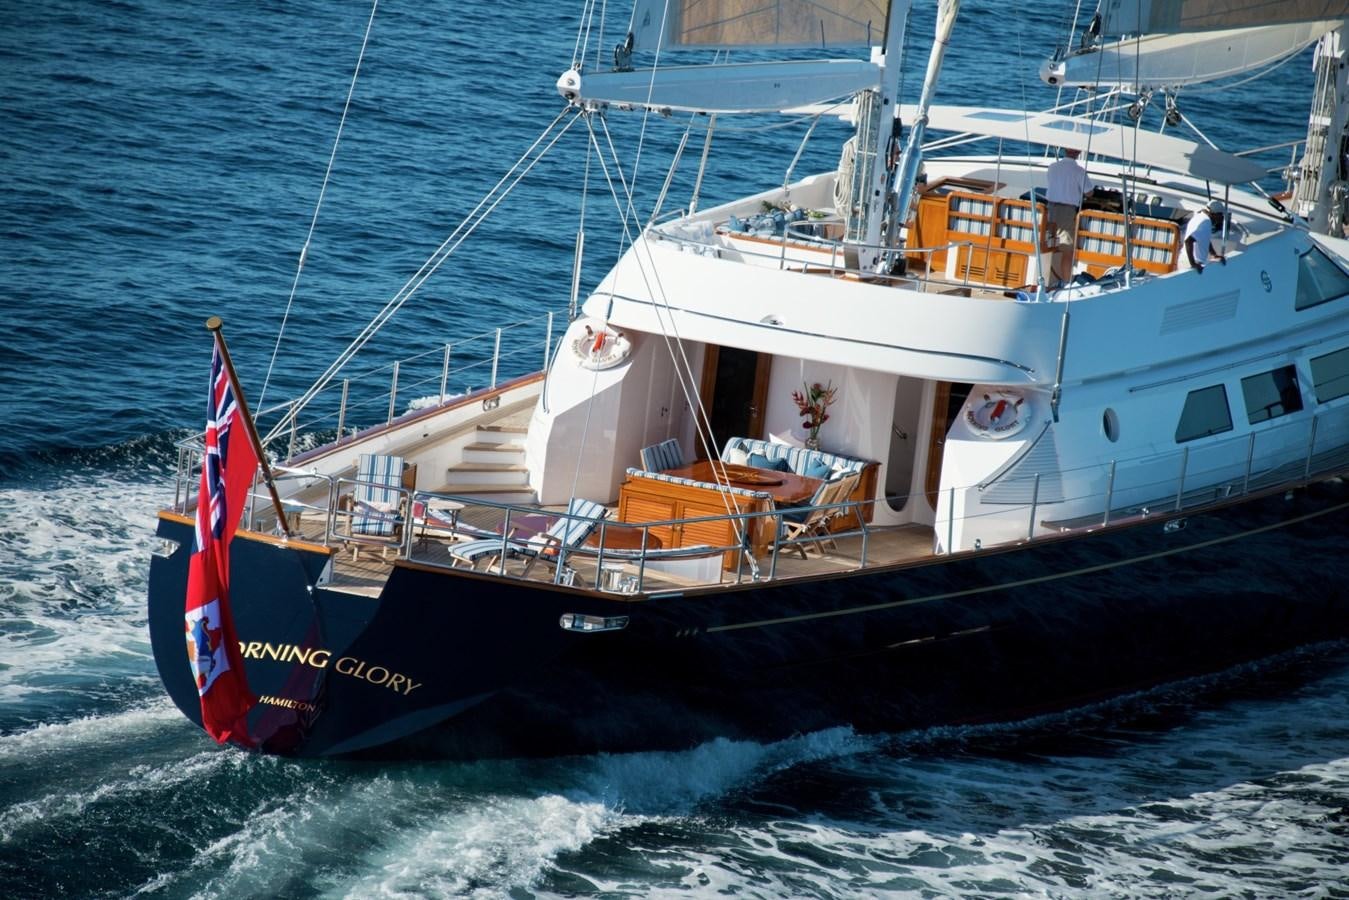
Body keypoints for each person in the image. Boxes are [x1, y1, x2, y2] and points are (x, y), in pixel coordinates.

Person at [1045, 148, 1096, 285]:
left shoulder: (1052, 167)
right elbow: (1089, 192)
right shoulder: (1079, 171)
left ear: (1065, 151)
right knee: (1068, 249)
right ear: (1078, 153)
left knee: (1048, 244)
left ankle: (1047, 278)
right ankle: (1066, 283)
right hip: (1067, 211)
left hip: (1049, 209)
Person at [1184, 200, 1228, 273]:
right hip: (1193, 265)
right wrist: (1193, 264)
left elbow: (1204, 238)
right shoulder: (1205, 221)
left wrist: (1214, 255)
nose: (1221, 217)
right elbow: (1188, 241)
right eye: (1220, 214)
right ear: (1214, 214)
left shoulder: (1201, 217)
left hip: (1194, 262)